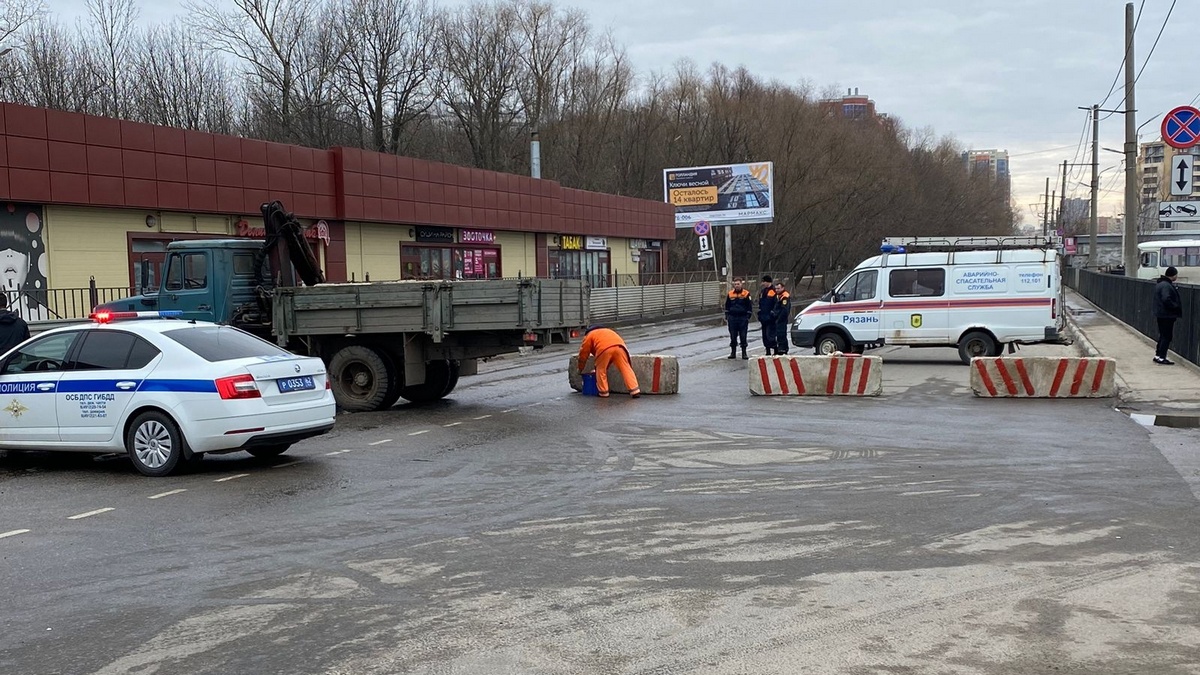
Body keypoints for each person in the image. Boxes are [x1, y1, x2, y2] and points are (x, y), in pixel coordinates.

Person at [577, 325, 641, 398]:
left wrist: (580, 368)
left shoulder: (589, 335)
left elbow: (583, 355)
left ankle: (603, 392)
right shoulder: (607, 331)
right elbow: (609, 357)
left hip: (603, 349)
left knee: (600, 370)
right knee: (626, 368)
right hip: (620, 347)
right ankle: (634, 390)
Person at [1153, 265, 1182, 366]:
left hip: (1161, 314)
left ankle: (1158, 355)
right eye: (1176, 274)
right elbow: (1166, 299)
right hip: (1167, 315)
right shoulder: (1167, 286)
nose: (1176, 276)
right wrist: (1175, 306)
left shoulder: (1160, 284)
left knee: (1162, 335)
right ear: (1173, 275)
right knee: (1167, 336)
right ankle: (1162, 357)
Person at [724, 277, 753, 359]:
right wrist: (727, 315)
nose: (737, 286)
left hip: (742, 318)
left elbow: (749, 306)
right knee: (733, 336)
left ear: (741, 284)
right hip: (732, 318)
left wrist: (748, 316)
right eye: (735, 284)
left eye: (738, 284)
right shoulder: (730, 294)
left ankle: (744, 352)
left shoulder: (746, 294)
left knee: (743, 336)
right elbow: (727, 305)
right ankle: (733, 352)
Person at [757, 275, 777, 355]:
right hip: (763, 316)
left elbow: (776, 304)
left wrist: (773, 313)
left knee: (770, 335)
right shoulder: (763, 291)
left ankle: (775, 349)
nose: (762, 283)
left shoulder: (773, 291)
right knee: (764, 335)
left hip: (770, 317)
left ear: (768, 282)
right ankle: (767, 350)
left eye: (764, 281)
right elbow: (761, 303)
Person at [772, 280, 792, 355]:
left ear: (783, 288)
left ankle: (783, 349)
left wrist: (779, 318)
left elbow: (784, 310)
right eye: (776, 288)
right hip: (777, 318)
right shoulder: (778, 296)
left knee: (781, 334)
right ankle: (780, 348)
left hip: (781, 319)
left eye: (778, 288)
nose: (777, 290)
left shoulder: (785, 297)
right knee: (778, 334)